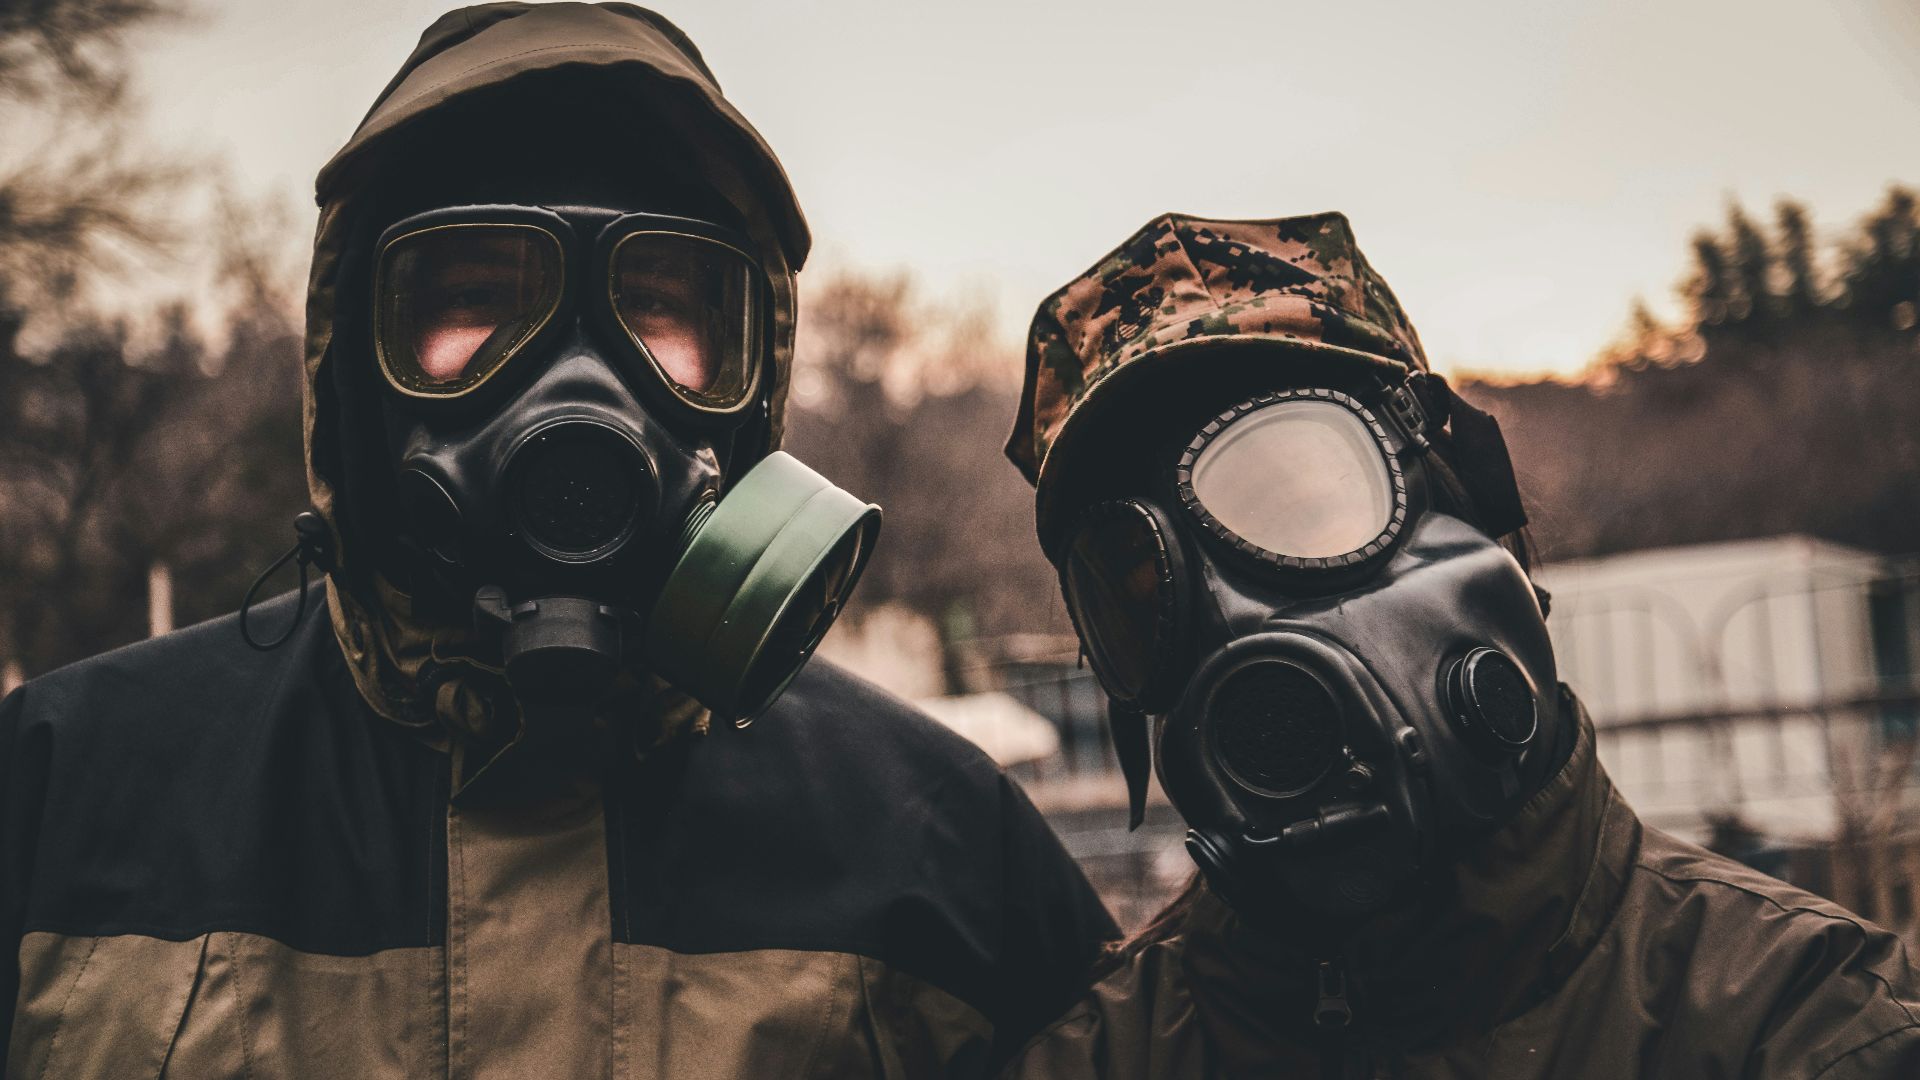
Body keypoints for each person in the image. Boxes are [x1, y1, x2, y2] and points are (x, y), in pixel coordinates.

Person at [0, 5, 1116, 1076]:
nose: (575, 380)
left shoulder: (942, 847)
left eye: (661, 308)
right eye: (480, 298)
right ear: (356, 376)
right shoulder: (59, 790)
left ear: (749, 384)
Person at [999, 211, 1920, 1078]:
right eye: (1136, 587)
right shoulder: (1104, 1056)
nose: (1232, 625)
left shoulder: (1799, 1024)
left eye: (1298, 510)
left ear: (1465, 508)